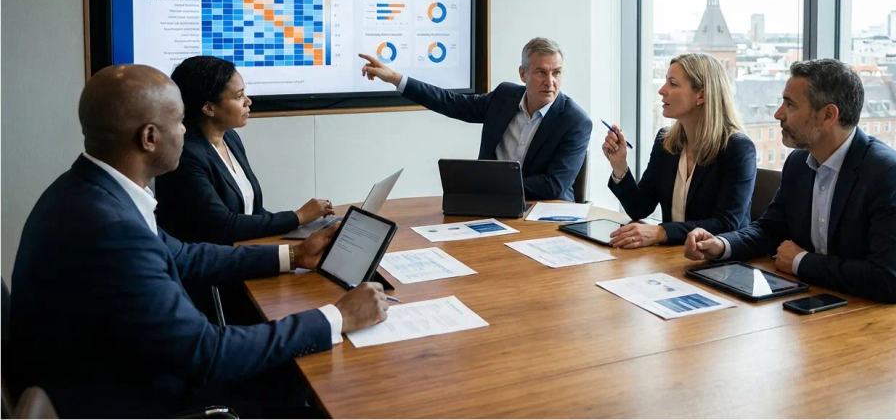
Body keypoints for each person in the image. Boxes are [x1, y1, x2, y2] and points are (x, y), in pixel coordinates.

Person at [9, 65, 389, 417]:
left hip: (110, 371)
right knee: (318, 386)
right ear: (150, 137)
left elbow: (185, 255)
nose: (186, 132)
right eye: (178, 122)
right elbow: (205, 353)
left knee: (295, 376)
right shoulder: (109, 227)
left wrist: (294, 253)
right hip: (130, 397)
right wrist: (338, 316)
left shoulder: (89, 191)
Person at [684, 59, 896, 309]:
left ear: (828, 115)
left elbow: (890, 281)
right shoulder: (799, 163)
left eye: (790, 105)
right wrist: (722, 245)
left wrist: (801, 262)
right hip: (831, 303)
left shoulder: (889, 175)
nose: (778, 114)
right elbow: (770, 229)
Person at [359, 37, 592, 201]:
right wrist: (396, 79)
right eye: (541, 72)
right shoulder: (504, 97)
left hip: (546, 214)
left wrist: (491, 184)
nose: (550, 82)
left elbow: (553, 186)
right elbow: (451, 102)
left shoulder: (575, 121)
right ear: (523, 73)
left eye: (556, 72)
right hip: (491, 205)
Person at [156, 55, 333, 244]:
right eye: (239, 96)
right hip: (206, 265)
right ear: (208, 108)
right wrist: (298, 216)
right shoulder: (186, 155)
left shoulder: (230, 138)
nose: (248, 101)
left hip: (241, 250)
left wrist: (300, 226)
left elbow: (253, 212)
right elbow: (222, 226)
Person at [602, 53, 756, 249]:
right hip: (671, 257)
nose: (661, 90)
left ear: (701, 95)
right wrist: (619, 165)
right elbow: (640, 207)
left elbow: (726, 224)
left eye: (673, 84)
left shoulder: (737, 148)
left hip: (717, 263)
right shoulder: (665, 142)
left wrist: (661, 232)